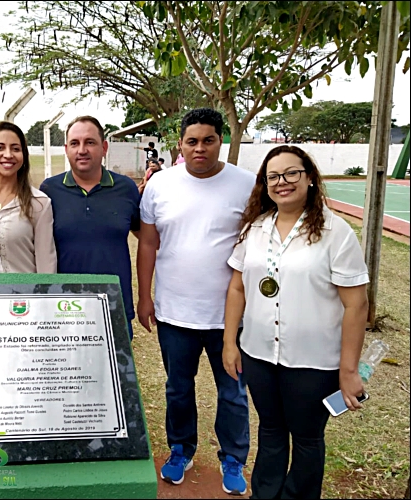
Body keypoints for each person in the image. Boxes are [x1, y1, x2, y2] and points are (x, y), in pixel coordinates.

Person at [222, 145, 369, 499]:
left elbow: (356, 304)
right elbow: (238, 288)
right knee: (271, 430)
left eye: (291, 173)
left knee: (306, 438)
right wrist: (229, 342)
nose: (282, 182)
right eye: (273, 176)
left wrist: (348, 370)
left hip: (312, 361)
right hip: (259, 353)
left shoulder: (335, 232)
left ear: (310, 178)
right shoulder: (255, 228)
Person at [137, 108, 255, 493]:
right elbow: (148, 243)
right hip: (174, 313)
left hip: (229, 318)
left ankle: (233, 458)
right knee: (178, 388)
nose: (199, 148)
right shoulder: (160, 184)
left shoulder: (247, 184)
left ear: (221, 141)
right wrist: (144, 296)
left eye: (208, 140)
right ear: (180, 145)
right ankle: (180, 449)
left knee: (233, 392)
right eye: (192, 141)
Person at [40, 116, 140, 340]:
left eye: (90, 142)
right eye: (75, 143)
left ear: (104, 147)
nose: (82, 150)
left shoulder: (126, 188)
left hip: (113, 305)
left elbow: (145, 238)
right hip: (63, 307)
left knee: (115, 363)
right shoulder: (48, 190)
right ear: (66, 149)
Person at [0, 121, 57, 274]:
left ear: (23, 156)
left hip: (25, 289)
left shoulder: (39, 203)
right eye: (0, 148)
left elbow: (46, 263)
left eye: (15, 149)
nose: (8, 155)